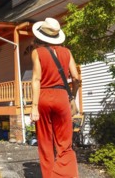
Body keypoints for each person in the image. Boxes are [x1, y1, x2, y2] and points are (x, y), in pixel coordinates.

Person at [30, 17, 80, 178]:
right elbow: (77, 78)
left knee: (45, 142)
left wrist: (33, 106)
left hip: (44, 96)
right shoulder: (67, 52)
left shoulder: (37, 52)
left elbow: (36, 79)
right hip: (61, 97)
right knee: (65, 144)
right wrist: (73, 96)